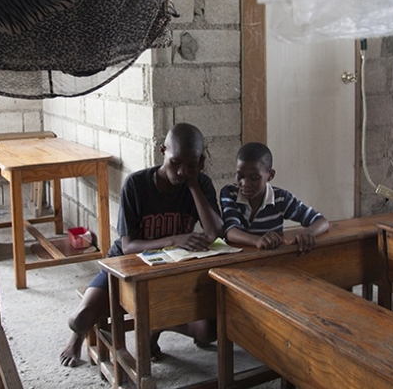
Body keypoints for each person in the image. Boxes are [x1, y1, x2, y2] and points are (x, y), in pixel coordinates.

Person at [59, 122, 224, 367]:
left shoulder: (200, 184)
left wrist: (192, 184)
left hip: (168, 267)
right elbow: (128, 246)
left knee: (209, 332)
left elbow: (215, 232)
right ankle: (78, 336)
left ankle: (156, 324)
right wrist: (174, 239)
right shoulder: (136, 185)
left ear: (200, 162)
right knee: (81, 318)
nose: (181, 171)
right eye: (175, 162)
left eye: (191, 165)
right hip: (125, 265)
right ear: (163, 152)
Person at [220, 142, 330, 253]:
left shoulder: (281, 198)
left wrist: (308, 233)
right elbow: (230, 231)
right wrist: (257, 240)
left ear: (270, 175)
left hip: (270, 259)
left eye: (254, 178)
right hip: (239, 260)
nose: (245, 183)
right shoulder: (230, 193)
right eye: (240, 176)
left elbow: (321, 221)